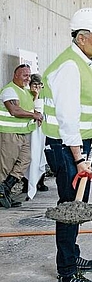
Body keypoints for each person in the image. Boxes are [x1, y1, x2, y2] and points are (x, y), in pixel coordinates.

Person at [41, 7, 92, 282]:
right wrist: (79, 159)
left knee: (76, 206)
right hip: (66, 147)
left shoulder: (84, 62)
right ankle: (67, 274)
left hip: (76, 146)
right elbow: (68, 119)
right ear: (82, 38)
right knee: (70, 208)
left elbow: (87, 97)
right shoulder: (70, 65)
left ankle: (73, 254)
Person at [0, 64, 43, 209]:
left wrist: (35, 94)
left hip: (22, 134)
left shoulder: (24, 91)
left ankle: (5, 188)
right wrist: (34, 115)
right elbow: (14, 110)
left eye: (29, 75)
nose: (28, 78)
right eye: (25, 75)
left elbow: (31, 104)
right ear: (15, 75)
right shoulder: (9, 90)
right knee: (5, 167)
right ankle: (2, 194)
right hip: (9, 134)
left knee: (26, 160)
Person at [22, 73, 48, 199]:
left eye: (39, 85)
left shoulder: (46, 96)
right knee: (29, 155)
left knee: (40, 154)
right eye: (34, 85)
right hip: (29, 129)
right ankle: (26, 182)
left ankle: (40, 181)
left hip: (41, 130)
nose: (37, 87)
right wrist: (35, 96)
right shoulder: (26, 94)